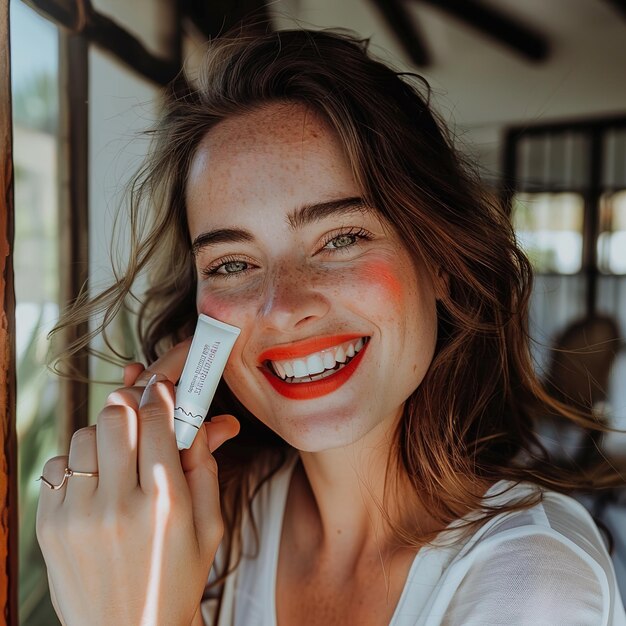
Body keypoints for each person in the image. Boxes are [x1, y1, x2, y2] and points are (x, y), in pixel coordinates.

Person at [36, 28, 626, 625]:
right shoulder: (207, 524)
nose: (283, 307)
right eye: (233, 263)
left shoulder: (532, 585)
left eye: (341, 238)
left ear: (441, 263)